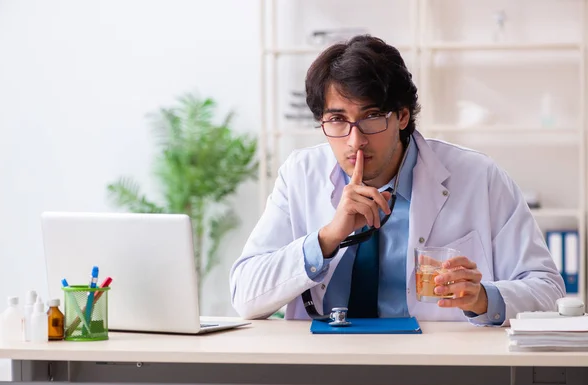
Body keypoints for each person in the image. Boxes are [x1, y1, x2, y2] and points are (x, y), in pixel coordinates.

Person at [230, 35, 565, 325]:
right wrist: (328, 237)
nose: (354, 140)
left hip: (433, 367)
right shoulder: (299, 174)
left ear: (403, 116)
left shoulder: (479, 177)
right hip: (323, 364)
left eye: (371, 117)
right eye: (337, 120)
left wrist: (483, 298)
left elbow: (548, 290)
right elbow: (245, 295)